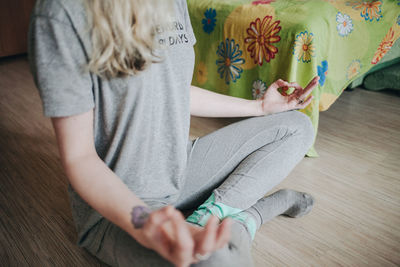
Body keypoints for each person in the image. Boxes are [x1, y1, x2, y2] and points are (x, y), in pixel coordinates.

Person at [28, 0, 319, 266]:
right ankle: (252, 215)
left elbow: (175, 90)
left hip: (180, 167)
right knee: (217, 262)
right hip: (120, 208)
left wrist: (260, 107)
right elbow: (80, 159)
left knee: (296, 127)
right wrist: (147, 224)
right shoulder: (61, 14)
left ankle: (209, 217)